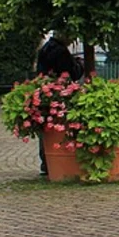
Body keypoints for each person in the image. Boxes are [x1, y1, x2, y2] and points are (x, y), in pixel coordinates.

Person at [34, 31, 83, 175]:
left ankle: (46, 162)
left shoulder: (46, 48)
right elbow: (70, 73)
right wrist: (79, 64)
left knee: (46, 129)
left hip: (46, 91)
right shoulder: (60, 51)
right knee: (58, 128)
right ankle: (57, 162)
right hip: (59, 94)